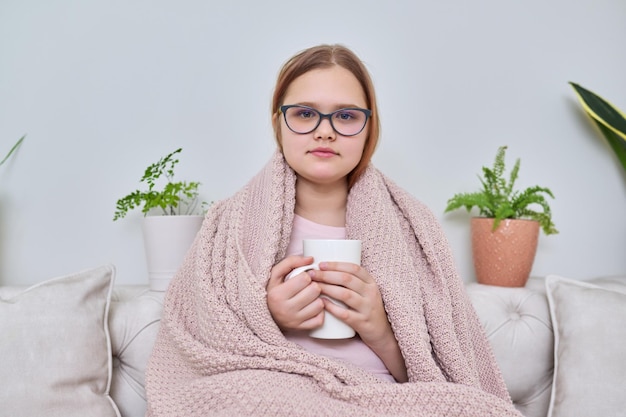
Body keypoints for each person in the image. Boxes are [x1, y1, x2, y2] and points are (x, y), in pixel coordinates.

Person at [144, 44, 522, 417]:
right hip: (274, 397)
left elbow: (445, 375)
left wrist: (381, 331)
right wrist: (268, 316)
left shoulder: (414, 228)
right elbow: (197, 353)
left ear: (368, 127)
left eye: (345, 116)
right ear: (278, 122)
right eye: (305, 113)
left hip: (384, 403)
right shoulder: (228, 226)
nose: (324, 132)